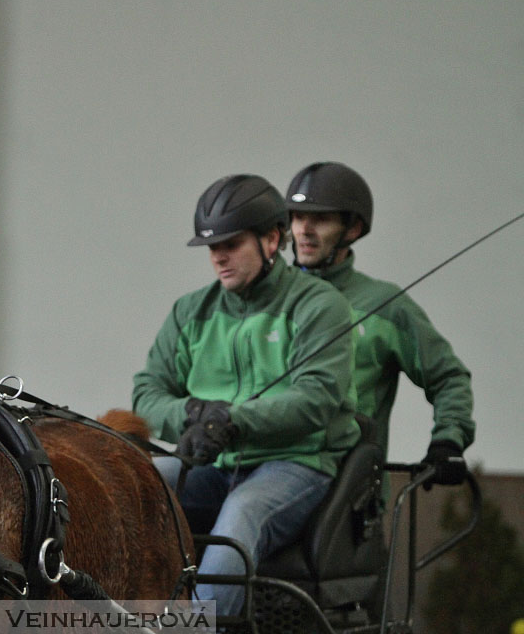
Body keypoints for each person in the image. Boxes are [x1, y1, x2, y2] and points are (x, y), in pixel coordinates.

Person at [132, 174, 360, 615]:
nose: (218, 257)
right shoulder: (190, 311)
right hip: (213, 465)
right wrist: (193, 413)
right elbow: (147, 393)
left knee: (244, 510)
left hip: (297, 463)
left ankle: (196, 627)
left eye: (231, 244)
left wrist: (232, 420)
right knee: (135, 481)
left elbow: (316, 397)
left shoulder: (319, 306)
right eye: (211, 247)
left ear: (272, 239)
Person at [286, 162, 474, 492]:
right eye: (298, 217)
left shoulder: (386, 305)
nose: (304, 229)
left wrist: (448, 440)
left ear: (353, 229)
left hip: (346, 496)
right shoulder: (266, 301)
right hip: (257, 470)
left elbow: (448, 377)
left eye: (321, 218)